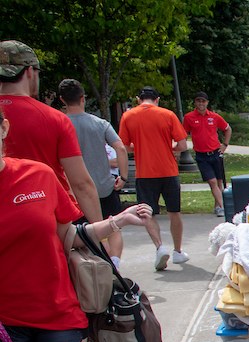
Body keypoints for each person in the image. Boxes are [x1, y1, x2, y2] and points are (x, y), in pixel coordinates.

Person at [0, 106, 153, 342]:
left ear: (4, 129)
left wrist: (116, 221)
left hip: (57, 315)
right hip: (4, 326)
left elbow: (68, 235)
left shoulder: (38, 175)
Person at [0, 40, 103, 224]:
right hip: (49, 220)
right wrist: (100, 236)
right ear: (30, 72)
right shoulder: (54, 118)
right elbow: (81, 185)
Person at [118, 86, 190, 271]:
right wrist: (168, 147)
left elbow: (124, 146)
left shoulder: (128, 116)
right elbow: (182, 144)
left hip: (145, 173)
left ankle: (159, 247)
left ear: (138, 99)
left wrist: (139, 147)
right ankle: (178, 251)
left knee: (147, 212)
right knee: (174, 211)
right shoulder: (167, 114)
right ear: (157, 99)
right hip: (169, 170)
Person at [59, 79, 129, 264]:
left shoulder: (59, 124)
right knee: (113, 228)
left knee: (82, 233)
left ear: (62, 100)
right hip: (104, 186)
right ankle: (114, 261)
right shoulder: (100, 123)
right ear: (83, 98)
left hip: (74, 191)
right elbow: (120, 148)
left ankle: (95, 267)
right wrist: (123, 176)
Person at [182, 91, 231, 217]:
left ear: (207, 103)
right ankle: (223, 207)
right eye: (198, 101)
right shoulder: (189, 117)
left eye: (203, 101)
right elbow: (183, 133)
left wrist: (224, 144)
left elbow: (227, 129)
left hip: (215, 152)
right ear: (195, 103)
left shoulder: (214, 117)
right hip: (201, 155)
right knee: (212, 182)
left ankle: (217, 206)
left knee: (219, 182)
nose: (201, 103)